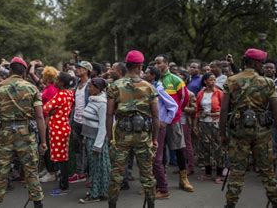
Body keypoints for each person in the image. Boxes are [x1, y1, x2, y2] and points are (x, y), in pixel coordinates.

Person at [220, 48, 277, 208]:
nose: (263, 66)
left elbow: (224, 110)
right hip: (262, 132)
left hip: (238, 132)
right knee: (267, 171)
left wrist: (222, 134)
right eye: (262, 63)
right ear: (256, 63)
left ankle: (230, 204)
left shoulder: (231, 81)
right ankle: (276, 203)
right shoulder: (268, 82)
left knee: (237, 172)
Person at [0, 57, 47, 208]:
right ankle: (38, 205)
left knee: (1, 171)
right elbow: (40, 116)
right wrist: (44, 141)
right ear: (24, 72)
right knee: (31, 171)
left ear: (11, 70)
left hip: (5, 133)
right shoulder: (32, 88)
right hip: (26, 133)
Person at [106, 50, 160, 208]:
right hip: (143, 135)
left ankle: (112, 205)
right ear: (139, 66)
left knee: (116, 174)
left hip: (121, 135)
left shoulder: (115, 86)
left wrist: (110, 138)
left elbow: (109, 114)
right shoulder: (149, 87)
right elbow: (156, 116)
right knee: (147, 174)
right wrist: (155, 139)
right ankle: (151, 204)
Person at [154, 54, 194, 195]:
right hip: (158, 123)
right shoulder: (154, 80)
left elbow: (184, 99)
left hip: (173, 121)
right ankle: (160, 181)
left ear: (166, 63)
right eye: (155, 63)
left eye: (159, 63)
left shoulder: (175, 79)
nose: (157, 65)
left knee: (178, 149)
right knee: (159, 152)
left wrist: (174, 115)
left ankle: (184, 179)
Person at [42, 72, 75, 196]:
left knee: (60, 159)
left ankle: (63, 187)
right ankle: (63, 185)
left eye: (57, 80)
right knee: (63, 158)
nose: (55, 81)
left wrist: (52, 112)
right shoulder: (69, 93)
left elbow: (45, 108)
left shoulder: (60, 95)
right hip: (64, 126)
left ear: (61, 82)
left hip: (57, 129)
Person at [79, 78, 110, 203]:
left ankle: (95, 195)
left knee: (96, 168)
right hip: (90, 138)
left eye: (91, 87)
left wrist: (97, 145)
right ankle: (99, 191)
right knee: (94, 167)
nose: (88, 88)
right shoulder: (92, 100)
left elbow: (103, 126)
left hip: (97, 140)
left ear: (98, 89)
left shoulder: (102, 104)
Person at [194, 73, 225, 184]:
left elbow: (225, 109)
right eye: (210, 80)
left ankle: (219, 173)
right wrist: (195, 124)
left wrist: (215, 114)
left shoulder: (219, 93)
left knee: (218, 148)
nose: (213, 82)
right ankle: (207, 172)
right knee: (205, 148)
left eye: (214, 79)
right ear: (205, 81)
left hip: (215, 123)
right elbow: (197, 110)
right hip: (203, 124)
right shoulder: (201, 93)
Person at [69, 60, 92, 183]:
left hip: (86, 121)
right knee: (77, 147)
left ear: (87, 70)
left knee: (88, 148)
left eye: (80, 68)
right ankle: (79, 172)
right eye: (77, 68)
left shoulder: (91, 85)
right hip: (76, 121)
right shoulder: (77, 85)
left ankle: (88, 173)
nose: (77, 70)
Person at [39, 66, 59, 183]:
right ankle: (48, 169)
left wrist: (46, 121)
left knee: (48, 146)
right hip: (46, 120)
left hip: (48, 121)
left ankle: (52, 172)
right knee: (47, 145)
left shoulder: (51, 90)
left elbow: (51, 108)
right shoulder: (49, 88)